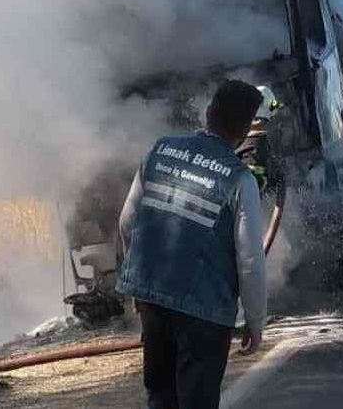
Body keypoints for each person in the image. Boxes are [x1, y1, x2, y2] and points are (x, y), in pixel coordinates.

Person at [115, 80, 268, 409]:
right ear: (244, 132)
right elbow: (250, 259)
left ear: (208, 113)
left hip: (154, 299)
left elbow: (127, 222)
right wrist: (255, 320)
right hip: (206, 311)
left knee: (160, 397)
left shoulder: (159, 150)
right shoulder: (240, 179)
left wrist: (140, 286)